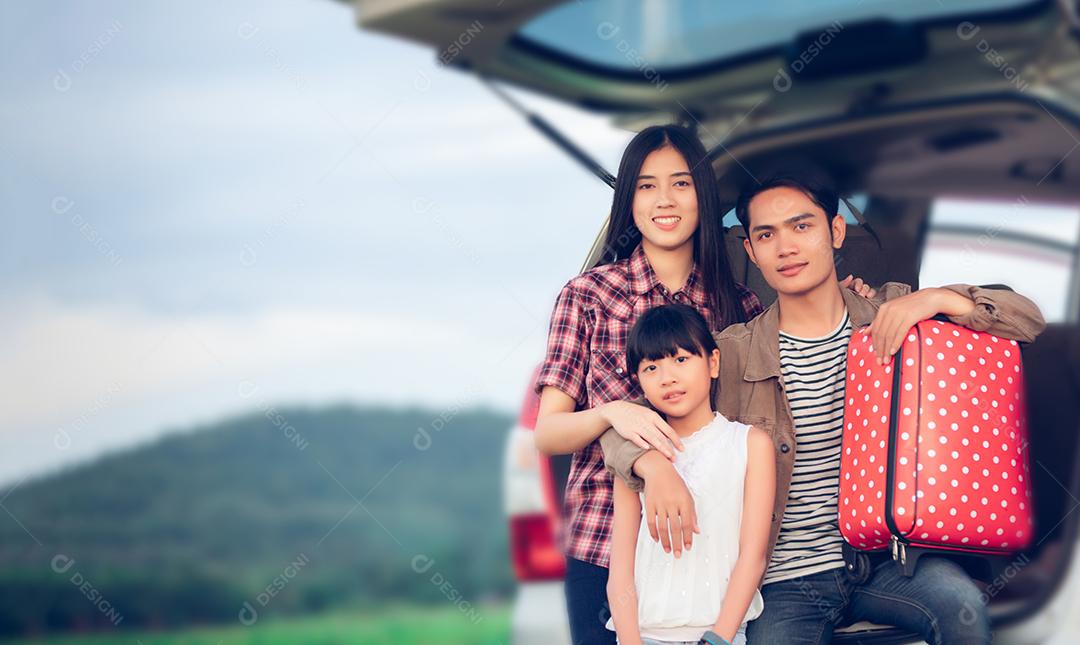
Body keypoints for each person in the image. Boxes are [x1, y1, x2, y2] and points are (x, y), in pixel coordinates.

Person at [601, 164, 1046, 645]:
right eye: (766, 235)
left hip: (885, 561)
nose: (786, 247)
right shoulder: (729, 353)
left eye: (802, 225)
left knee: (961, 607)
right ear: (750, 250)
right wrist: (650, 463)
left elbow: (1027, 320)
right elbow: (627, 421)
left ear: (835, 231)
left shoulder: (891, 319)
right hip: (782, 580)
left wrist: (936, 298)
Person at [605, 304, 774, 645]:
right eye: (651, 367)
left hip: (722, 634)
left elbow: (752, 556)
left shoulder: (750, 444)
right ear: (638, 380)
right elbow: (619, 568)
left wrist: (718, 638)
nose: (667, 377)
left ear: (713, 363)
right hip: (645, 635)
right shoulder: (637, 456)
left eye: (681, 360)